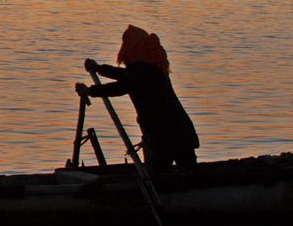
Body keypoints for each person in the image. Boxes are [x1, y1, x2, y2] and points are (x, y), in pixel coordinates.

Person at [77, 25, 200, 172]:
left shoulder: (145, 69)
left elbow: (123, 86)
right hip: (173, 131)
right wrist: (99, 69)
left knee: (164, 172)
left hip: (168, 133)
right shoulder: (149, 65)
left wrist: (90, 90)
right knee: (177, 170)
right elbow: (126, 76)